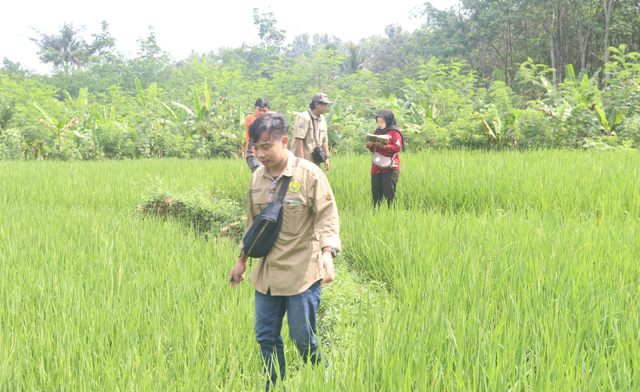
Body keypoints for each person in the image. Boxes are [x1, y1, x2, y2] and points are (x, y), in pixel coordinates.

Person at [229, 113, 341, 391]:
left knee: (302, 339)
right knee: (266, 336)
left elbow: (327, 216)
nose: (260, 153)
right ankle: (273, 385)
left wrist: (328, 252)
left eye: (266, 146)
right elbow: (253, 223)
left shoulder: (310, 174)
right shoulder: (257, 177)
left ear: (284, 141)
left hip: (301, 272)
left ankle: (323, 377)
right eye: (255, 147)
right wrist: (242, 259)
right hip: (267, 273)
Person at [367, 109, 405, 207]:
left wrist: (383, 146)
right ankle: (376, 214)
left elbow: (397, 148)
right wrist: (371, 144)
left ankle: (391, 213)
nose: (380, 124)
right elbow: (373, 149)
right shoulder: (377, 132)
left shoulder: (394, 132)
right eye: (378, 121)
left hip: (390, 166)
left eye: (382, 121)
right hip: (377, 166)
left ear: (388, 120)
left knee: (389, 192)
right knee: (376, 192)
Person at [291, 92, 332, 171]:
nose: (326, 107)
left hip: (315, 160)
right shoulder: (304, 117)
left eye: (327, 105)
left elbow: (324, 140)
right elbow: (299, 139)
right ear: (317, 104)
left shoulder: (323, 119)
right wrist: (302, 162)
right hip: (302, 161)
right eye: (325, 104)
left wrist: (327, 158)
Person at [245, 98, 271, 173]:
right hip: (253, 155)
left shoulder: (269, 120)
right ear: (255, 109)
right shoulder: (250, 118)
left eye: (264, 111)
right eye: (259, 110)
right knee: (261, 177)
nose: (261, 113)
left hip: (267, 155)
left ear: (268, 111)